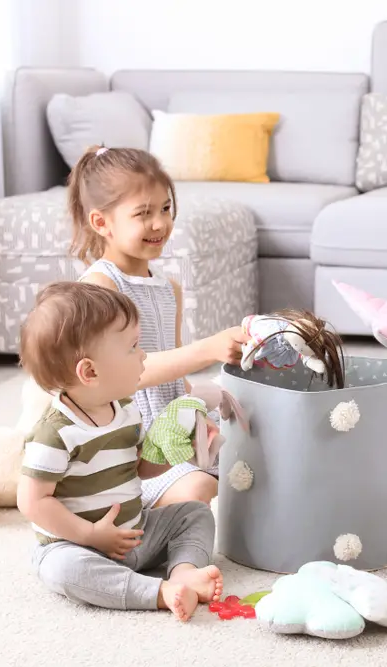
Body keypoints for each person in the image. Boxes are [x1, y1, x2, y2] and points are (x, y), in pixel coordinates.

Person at [16, 281, 223, 621]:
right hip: (77, 543)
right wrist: (90, 535)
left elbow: (140, 468)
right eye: (133, 347)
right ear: (90, 371)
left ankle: (184, 571)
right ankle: (157, 592)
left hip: (135, 531)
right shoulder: (54, 433)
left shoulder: (125, 409)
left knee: (194, 514)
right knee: (61, 569)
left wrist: (174, 450)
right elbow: (32, 501)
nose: (143, 356)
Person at [68, 145, 250, 510]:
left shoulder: (170, 289)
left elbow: (175, 379)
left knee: (255, 456)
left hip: (172, 428)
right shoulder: (101, 287)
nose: (159, 224)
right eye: (143, 214)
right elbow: (123, 376)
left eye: (165, 209)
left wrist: (198, 414)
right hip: (131, 446)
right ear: (101, 223)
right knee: (202, 489)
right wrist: (206, 349)